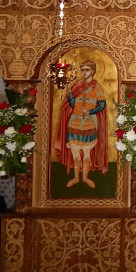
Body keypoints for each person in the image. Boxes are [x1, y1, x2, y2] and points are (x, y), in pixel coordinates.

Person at [55, 60, 108, 188]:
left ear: (92, 71)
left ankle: (85, 178)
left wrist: (90, 111)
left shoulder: (97, 87)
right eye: (82, 70)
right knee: (75, 152)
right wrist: (69, 94)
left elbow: (102, 105)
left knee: (87, 153)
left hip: (89, 123)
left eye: (87, 70)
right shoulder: (77, 86)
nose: (84, 72)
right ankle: (76, 178)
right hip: (75, 122)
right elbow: (73, 104)